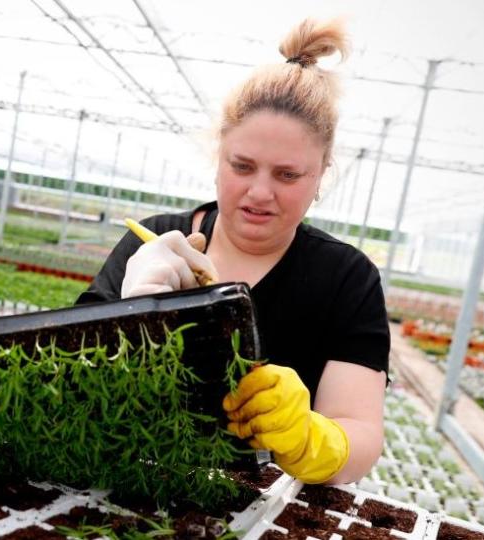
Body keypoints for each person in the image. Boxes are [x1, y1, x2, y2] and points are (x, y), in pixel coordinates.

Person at [76, 19, 388, 485]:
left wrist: (309, 438)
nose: (260, 192)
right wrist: (130, 316)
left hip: (261, 506)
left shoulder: (346, 278)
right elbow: (69, 385)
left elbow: (361, 432)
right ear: (219, 153)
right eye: (242, 166)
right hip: (127, 483)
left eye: (287, 175)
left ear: (322, 173)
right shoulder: (154, 244)